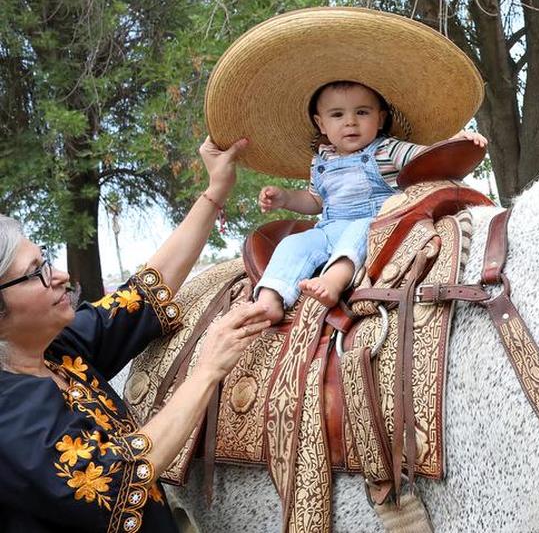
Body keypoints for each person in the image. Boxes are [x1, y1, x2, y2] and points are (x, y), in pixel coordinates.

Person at [0, 138, 270, 532]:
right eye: (37, 272)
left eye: (47, 259)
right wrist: (209, 367)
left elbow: (145, 293)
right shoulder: (10, 417)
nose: (60, 276)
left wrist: (215, 192)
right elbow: (121, 476)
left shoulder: (56, 350)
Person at [251, 80, 487, 324]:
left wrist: (453, 143)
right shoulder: (321, 161)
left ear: (381, 119)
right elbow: (315, 201)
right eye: (337, 114)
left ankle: (334, 280)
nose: (350, 121)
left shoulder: (386, 149)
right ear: (321, 124)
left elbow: (424, 156)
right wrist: (286, 198)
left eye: (362, 112)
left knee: (358, 232)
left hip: (377, 224)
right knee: (293, 244)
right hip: (329, 228)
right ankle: (270, 298)